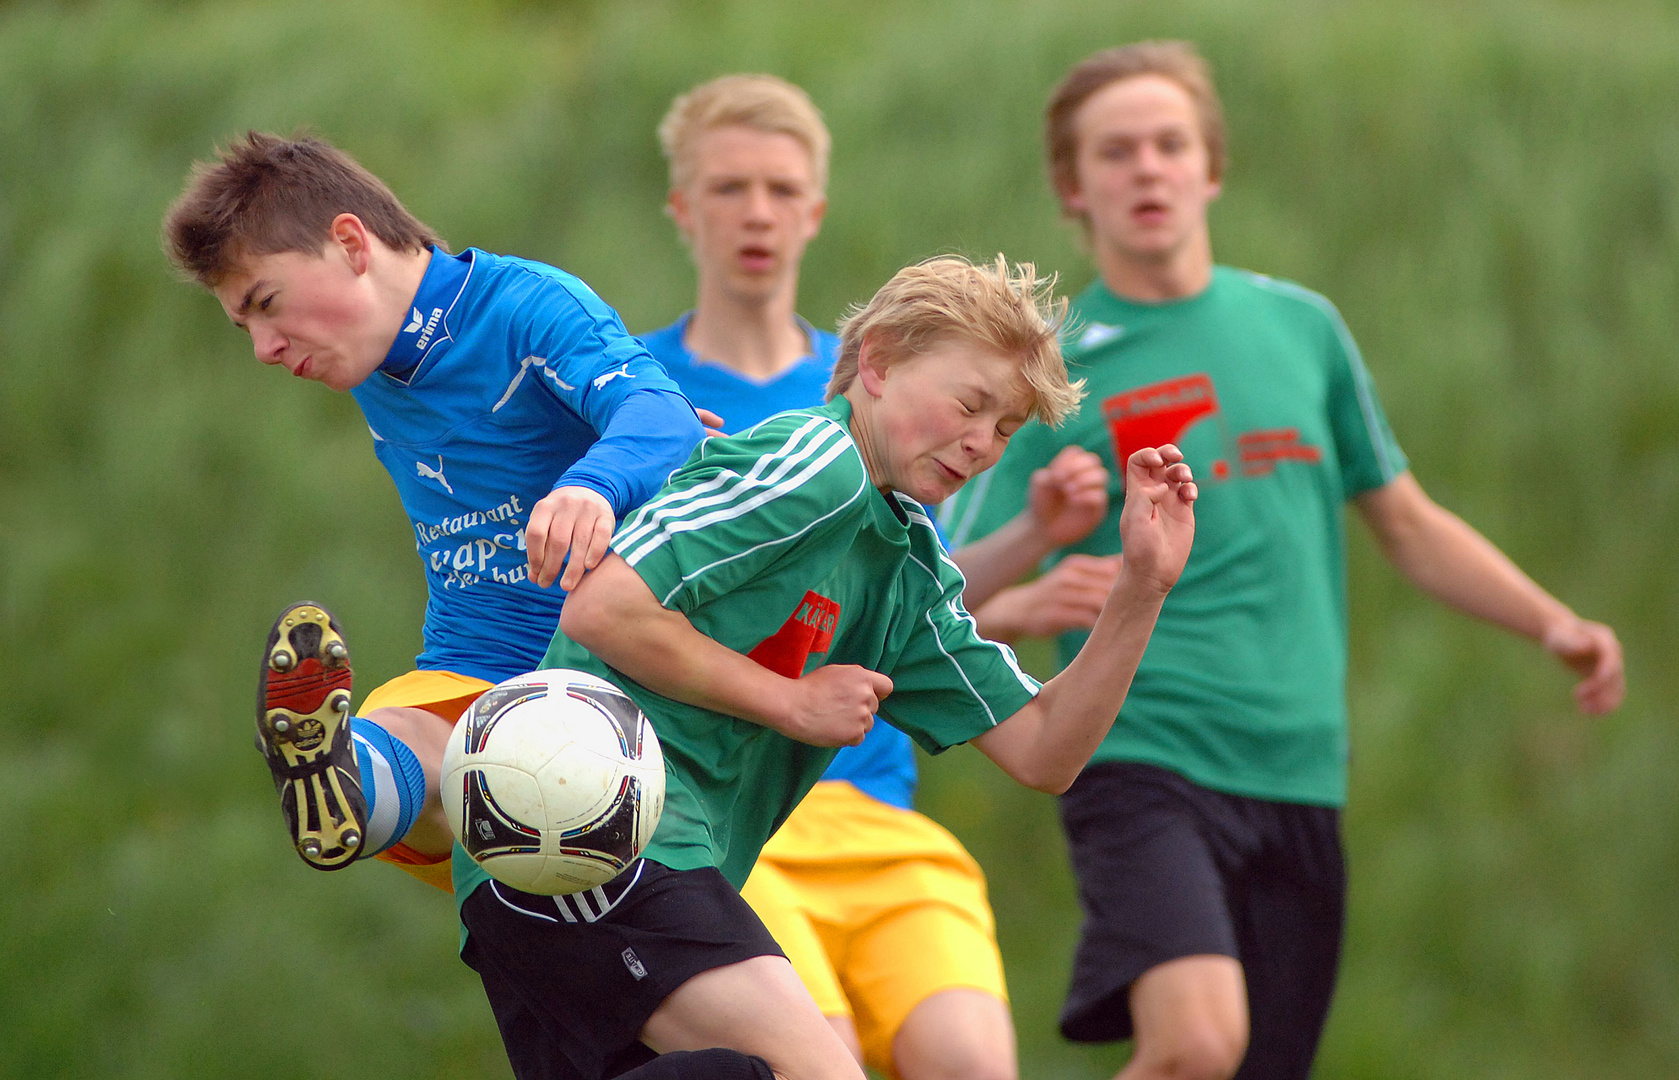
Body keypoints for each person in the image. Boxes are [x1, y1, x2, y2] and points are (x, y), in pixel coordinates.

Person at [939, 41, 1627, 1080]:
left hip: (1298, 768)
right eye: (1115, 152)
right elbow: (922, 592)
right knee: (1194, 1046)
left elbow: (1405, 520)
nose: (1146, 169)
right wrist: (1032, 592)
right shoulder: (1048, 374)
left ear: (1210, 167)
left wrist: (1548, 621)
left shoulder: (1302, 329)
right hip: (1141, 757)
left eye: (1169, 145)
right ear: (1073, 187)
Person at [452, 254, 1198, 1080]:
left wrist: (1142, 586)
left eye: (1006, 428)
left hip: (586, 870)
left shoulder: (908, 568)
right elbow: (604, 610)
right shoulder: (819, 461)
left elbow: (1047, 749)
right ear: (874, 361)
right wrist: (791, 703)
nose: (982, 442)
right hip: (592, 833)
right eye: (970, 403)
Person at [640, 74, 1110, 1080]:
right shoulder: (648, 394)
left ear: (815, 209)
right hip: (722, 807)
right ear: (682, 208)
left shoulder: (921, 398)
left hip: (869, 789)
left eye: (781, 189)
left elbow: (904, 600)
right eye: (729, 188)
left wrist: (1031, 551)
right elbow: (616, 600)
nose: (756, 212)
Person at [162, 131, 705, 890]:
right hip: (474, 668)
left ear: (350, 242)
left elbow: (663, 417)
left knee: (474, 761)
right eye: (243, 325)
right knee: (418, 735)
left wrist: (596, 483)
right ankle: (338, 778)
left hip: (611, 685)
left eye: (266, 304)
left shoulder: (523, 305)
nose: (262, 349)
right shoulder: (367, 357)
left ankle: (371, 777)